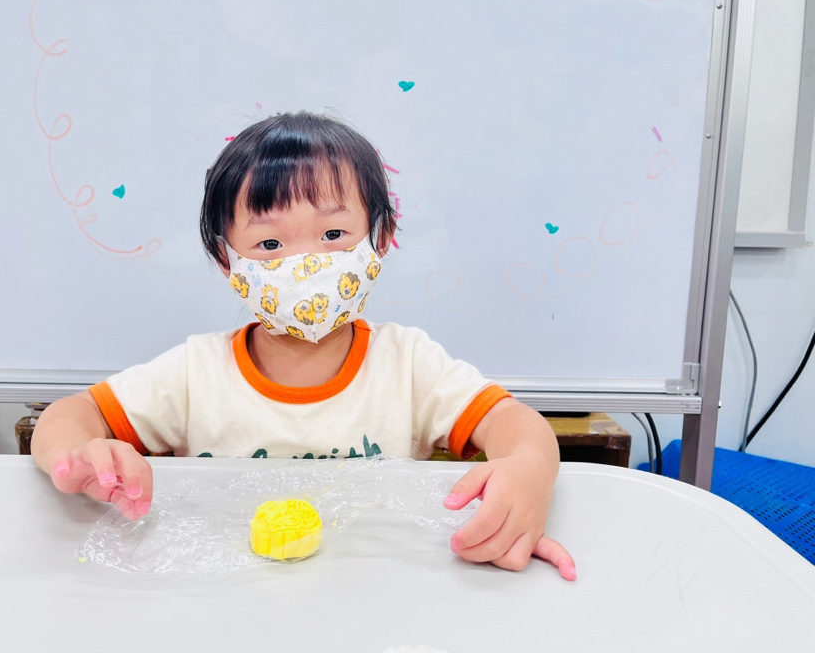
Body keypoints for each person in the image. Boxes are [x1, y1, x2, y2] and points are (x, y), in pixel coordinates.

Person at [32, 111, 575, 580]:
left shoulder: (407, 363)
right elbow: (69, 416)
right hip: (229, 600)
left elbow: (513, 424)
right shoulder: (197, 372)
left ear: (381, 238)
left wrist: (529, 469)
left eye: (333, 235)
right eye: (269, 243)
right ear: (228, 261)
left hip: (374, 591)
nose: (304, 264)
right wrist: (79, 455)